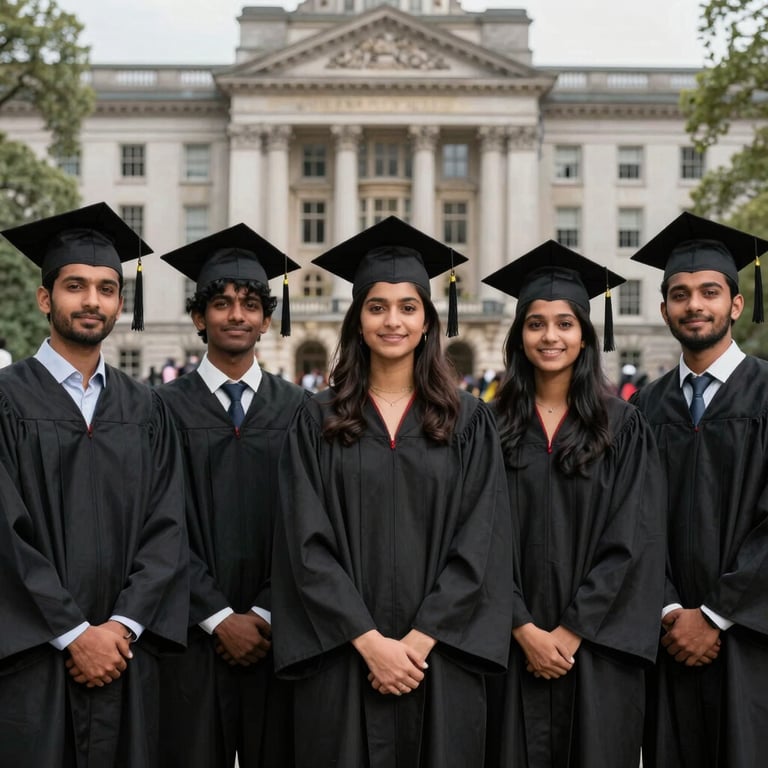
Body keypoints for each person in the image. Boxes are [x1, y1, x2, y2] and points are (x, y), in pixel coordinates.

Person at [272, 216, 513, 768]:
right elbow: (304, 544)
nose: (392, 321)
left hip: (440, 659)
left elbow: (482, 540)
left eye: (408, 307)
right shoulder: (317, 421)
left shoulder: (469, 422)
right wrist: (369, 642)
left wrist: (420, 640)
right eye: (377, 307)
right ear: (357, 320)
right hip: (342, 657)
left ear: (428, 321)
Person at [0, 202, 189, 767]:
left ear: (119, 303)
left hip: (125, 656)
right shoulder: (6, 399)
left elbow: (168, 525)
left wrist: (122, 627)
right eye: (75, 286)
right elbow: (4, 533)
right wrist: (73, 631)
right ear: (45, 298)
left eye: (108, 289)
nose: (92, 301)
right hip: (31, 657)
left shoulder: (146, 408)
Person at [481, 240, 666, 768]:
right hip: (507, 646)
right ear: (519, 336)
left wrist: (568, 632)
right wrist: (522, 626)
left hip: (595, 648)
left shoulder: (623, 426)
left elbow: (634, 537)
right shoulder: (487, 427)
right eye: (536, 323)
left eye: (565, 323)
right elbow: (473, 535)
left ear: (585, 335)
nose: (550, 336)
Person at [156, 223, 307, 768]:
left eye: (249, 304)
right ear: (200, 318)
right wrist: (218, 617)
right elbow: (155, 524)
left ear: (268, 318)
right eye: (221, 303)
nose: (236, 314)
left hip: (282, 636)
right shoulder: (159, 411)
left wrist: (264, 612)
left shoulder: (301, 412)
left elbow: (312, 526)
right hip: (189, 638)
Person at [630, 212, 768, 768]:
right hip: (667, 644)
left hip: (753, 640)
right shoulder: (643, 408)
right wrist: (668, 608)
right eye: (680, 294)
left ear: (735, 304)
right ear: (663, 309)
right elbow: (630, 523)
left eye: (710, 292)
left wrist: (713, 615)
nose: (694, 305)